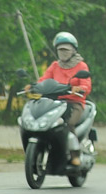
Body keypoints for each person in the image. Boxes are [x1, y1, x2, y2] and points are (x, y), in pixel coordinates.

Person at [35, 32, 92, 166]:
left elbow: (86, 84)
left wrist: (80, 88)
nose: (63, 53)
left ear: (73, 50)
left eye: (66, 49)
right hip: (55, 103)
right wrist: (34, 87)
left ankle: (75, 154)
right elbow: (44, 80)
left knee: (69, 124)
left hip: (75, 103)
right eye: (60, 50)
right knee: (46, 123)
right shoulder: (55, 65)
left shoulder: (81, 66)